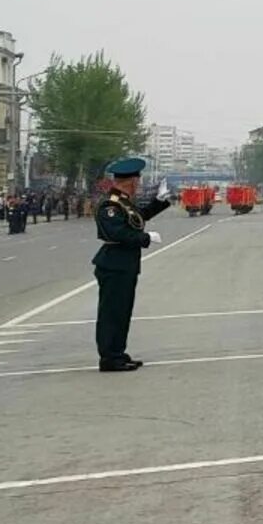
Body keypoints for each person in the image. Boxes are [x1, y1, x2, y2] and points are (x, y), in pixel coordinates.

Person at [93, 158, 172, 372]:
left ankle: (118, 352)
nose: (139, 183)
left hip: (125, 263)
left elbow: (138, 218)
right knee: (112, 313)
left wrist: (160, 202)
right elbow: (117, 232)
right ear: (130, 181)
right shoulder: (110, 204)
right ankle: (109, 357)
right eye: (137, 179)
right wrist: (145, 238)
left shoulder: (123, 201)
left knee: (122, 311)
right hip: (114, 263)